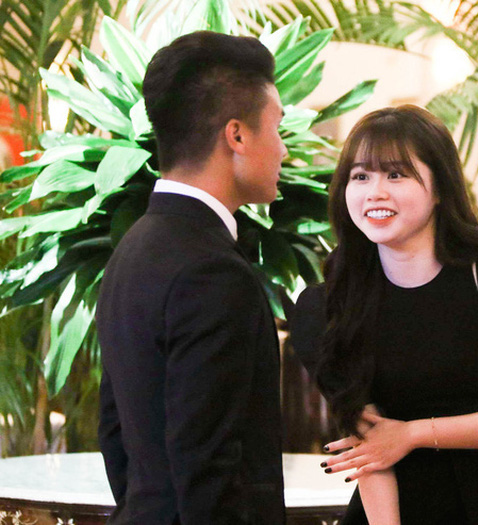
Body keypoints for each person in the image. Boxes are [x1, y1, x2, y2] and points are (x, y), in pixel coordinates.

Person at [291, 105, 478, 524]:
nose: (375, 192)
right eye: (360, 176)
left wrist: (413, 434)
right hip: (401, 510)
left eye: (396, 174)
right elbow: (371, 448)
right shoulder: (328, 307)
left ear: (440, 188)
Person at [96, 31, 287, 525]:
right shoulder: (212, 272)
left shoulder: (132, 248)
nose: (283, 150)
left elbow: (116, 433)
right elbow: (211, 469)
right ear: (237, 135)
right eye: (278, 127)